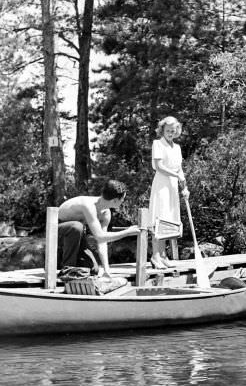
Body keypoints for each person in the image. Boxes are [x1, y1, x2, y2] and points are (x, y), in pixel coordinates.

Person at [58, 180, 139, 279]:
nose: (123, 201)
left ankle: (71, 266)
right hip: (55, 231)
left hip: (75, 237)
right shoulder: (88, 205)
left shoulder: (106, 213)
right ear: (114, 200)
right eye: (122, 198)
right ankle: (67, 270)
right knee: (77, 226)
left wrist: (106, 270)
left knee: (94, 270)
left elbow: (102, 241)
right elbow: (99, 236)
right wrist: (127, 232)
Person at [148, 116, 189, 269]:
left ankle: (164, 256)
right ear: (162, 130)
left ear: (177, 131)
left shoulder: (177, 147)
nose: (170, 133)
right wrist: (175, 175)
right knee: (159, 218)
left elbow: (180, 169)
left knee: (169, 219)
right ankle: (155, 256)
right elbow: (158, 166)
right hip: (162, 184)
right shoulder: (157, 144)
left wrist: (184, 187)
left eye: (173, 130)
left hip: (172, 185)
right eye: (167, 130)